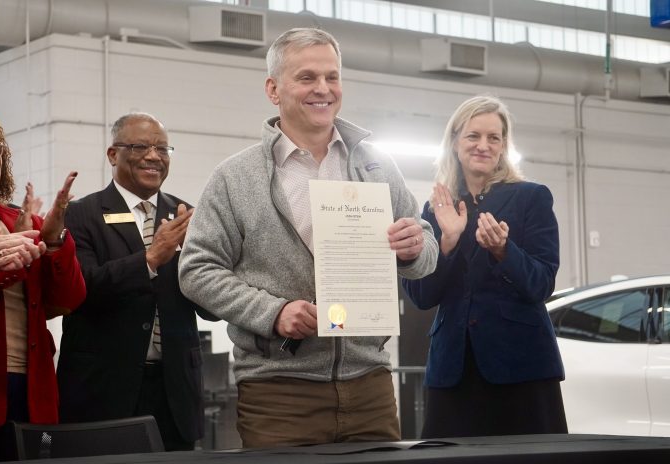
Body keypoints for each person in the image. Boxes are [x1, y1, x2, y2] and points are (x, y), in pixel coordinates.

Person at [178, 27, 438, 448]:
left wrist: (414, 248)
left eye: (332, 77)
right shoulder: (235, 177)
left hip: (370, 383)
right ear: (273, 89)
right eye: (307, 77)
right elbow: (196, 270)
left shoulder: (376, 166)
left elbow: (425, 251)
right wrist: (273, 312)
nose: (324, 89)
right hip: (279, 391)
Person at [402, 95, 567, 438]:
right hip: (453, 368)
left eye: (494, 137)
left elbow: (541, 284)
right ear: (455, 142)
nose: (483, 145)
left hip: (520, 367)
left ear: (504, 145)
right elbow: (421, 295)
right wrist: (446, 241)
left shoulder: (531, 197)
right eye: (473, 136)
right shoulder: (436, 208)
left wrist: (504, 251)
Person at [56, 113, 218, 451]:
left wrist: (207, 270)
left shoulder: (187, 214)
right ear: (113, 154)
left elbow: (210, 310)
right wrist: (149, 259)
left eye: (162, 148)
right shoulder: (81, 214)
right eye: (140, 146)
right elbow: (80, 290)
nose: (153, 156)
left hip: (174, 390)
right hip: (104, 389)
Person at [0, 106, 86, 462]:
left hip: (31, 386)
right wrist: (6, 264)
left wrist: (54, 240)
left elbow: (68, 299)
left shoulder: (20, 220)